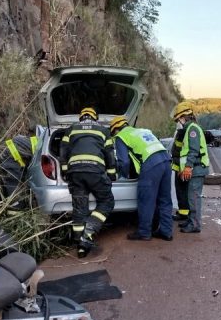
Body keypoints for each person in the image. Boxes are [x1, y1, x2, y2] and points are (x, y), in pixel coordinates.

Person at [59, 107, 116, 258]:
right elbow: (109, 153)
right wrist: (111, 173)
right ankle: (88, 234)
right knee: (107, 202)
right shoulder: (103, 130)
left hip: (75, 173)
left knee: (79, 208)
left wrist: (64, 170)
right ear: (95, 117)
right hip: (95, 172)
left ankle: (79, 244)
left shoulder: (71, 129)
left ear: (81, 117)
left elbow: (63, 150)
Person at [109, 116, 173, 241]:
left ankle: (144, 232)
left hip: (151, 165)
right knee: (165, 199)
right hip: (166, 161)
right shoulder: (143, 131)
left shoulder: (121, 136)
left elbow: (124, 162)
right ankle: (166, 231)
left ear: (115, 129)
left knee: (146, 200)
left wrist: (123, 176)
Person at [172, 102, 209, 233]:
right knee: (190, 197)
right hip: (194, 168)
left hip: (197, 168)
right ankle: (190, 220)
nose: (178, 122)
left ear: (184, 117)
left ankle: (195, 225)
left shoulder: (192, 129)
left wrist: (187, 167)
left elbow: (193, 150)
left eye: (178, 119)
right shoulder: (189, 128)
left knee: (194, 198)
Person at [0, 134, 39, 215]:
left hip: (11, 150)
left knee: (16, 181)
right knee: (13, 182)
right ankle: (15, 209)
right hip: (10, 154)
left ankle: (18, 207)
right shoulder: (45, 149)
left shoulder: (43, 141)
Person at [170, 119, 190, 222]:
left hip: (181, 167)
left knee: (182, 190)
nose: (177, 122)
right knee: (180, 190)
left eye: (179, 119)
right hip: (179, 166)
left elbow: (178, 151)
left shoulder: (183, 132)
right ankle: (183, 212)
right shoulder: (181, 132)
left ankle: (184, 214)